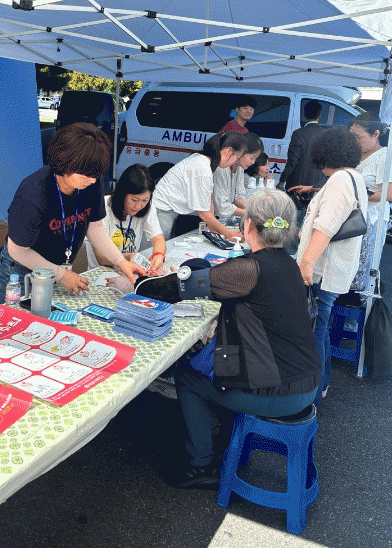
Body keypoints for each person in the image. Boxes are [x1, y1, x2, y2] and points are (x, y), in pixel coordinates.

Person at [133, 190, 320, 488]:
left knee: (188, 378)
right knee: (206, 364)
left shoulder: (250, 268)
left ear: (248, 225)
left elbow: (179, 288)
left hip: (279, 393)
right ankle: (225, 436)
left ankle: (201, 465)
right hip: (306, 383)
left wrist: (138, 284)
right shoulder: (288, 264)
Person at [0, 122, 144, 302]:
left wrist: (121, 262)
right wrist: (61, 274)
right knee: (18, 316)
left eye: (96, 175)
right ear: (64, 165)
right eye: (86, 176)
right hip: (22, 270)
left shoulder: (91, 181)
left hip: (59, 267)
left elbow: (95, 227)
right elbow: (19, 251)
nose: (92, 181)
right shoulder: (32, 195)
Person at [297, 126, 368, 402]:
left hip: (322, 270)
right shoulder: (354, 177)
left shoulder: (339, 180)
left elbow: (326, 226)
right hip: (334, 268)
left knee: (314, 332)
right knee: (321, 328)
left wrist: (306, 261)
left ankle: (311, 398)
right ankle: (322, 384)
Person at [152, 132, 247, 241]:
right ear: (228, 151)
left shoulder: (205, 163)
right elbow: (203, 213)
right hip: (160, 211)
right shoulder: (202, 168)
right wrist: (229, 234)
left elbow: (208, 200)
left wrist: (214, 227)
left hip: (167, 211)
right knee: (155, 247)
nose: (236, 161)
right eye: (237, 157)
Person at [85, 164, 167, 273]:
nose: (139, 206)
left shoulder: (147, 207)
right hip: (102, 272)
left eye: (145, 200)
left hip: (130, 271)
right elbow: (101, 258)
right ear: (122, 194)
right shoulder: (103, 206)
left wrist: (158, 255)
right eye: (134, 199)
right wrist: (129, 257)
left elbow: (158, 238)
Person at [349, 113, 391, 291]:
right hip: (352, 217)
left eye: (358, 137)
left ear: (376, 134)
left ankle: (359, 299)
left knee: (363, 267)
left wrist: (355, 195)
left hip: (371, 221)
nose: (354, 140)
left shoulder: (385, 156)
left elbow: (389, 193)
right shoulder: (356, 154)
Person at [213, 133, 264, 220]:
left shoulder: (239, 168)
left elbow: (239, 197)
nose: (253, 162)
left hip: (220, 217)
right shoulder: (222, 168)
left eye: (255, 159)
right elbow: (221, 207)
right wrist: (249, 213)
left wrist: (252, 208)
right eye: (252, 158)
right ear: (242, 152)